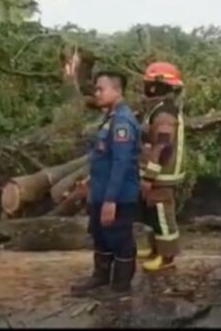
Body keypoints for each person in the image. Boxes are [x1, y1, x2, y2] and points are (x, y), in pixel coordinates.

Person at [71, 71, 140, 297]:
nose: (97, 93)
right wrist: (90, 182)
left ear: (117, 90)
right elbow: (103, 158)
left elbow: (121, 163)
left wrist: (110, 199)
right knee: (100, 235)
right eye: (96, 89)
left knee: (119, 238)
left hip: (118, 195)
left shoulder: (122, 121)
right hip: (100, 192)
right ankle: (100, 277)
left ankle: (121, 286)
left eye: (101, 89)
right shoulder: (109, 118)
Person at [136, 62, 186, 272]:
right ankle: (155, 249)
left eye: (148, 83)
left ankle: (167, 257)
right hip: (158, 173)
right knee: (153, 214)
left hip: (162, 175)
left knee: (163, 215)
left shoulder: (164, 114)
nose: (145, 87)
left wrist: (149, 176)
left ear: (156, 86)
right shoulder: (159, 109)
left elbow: (163, 147)